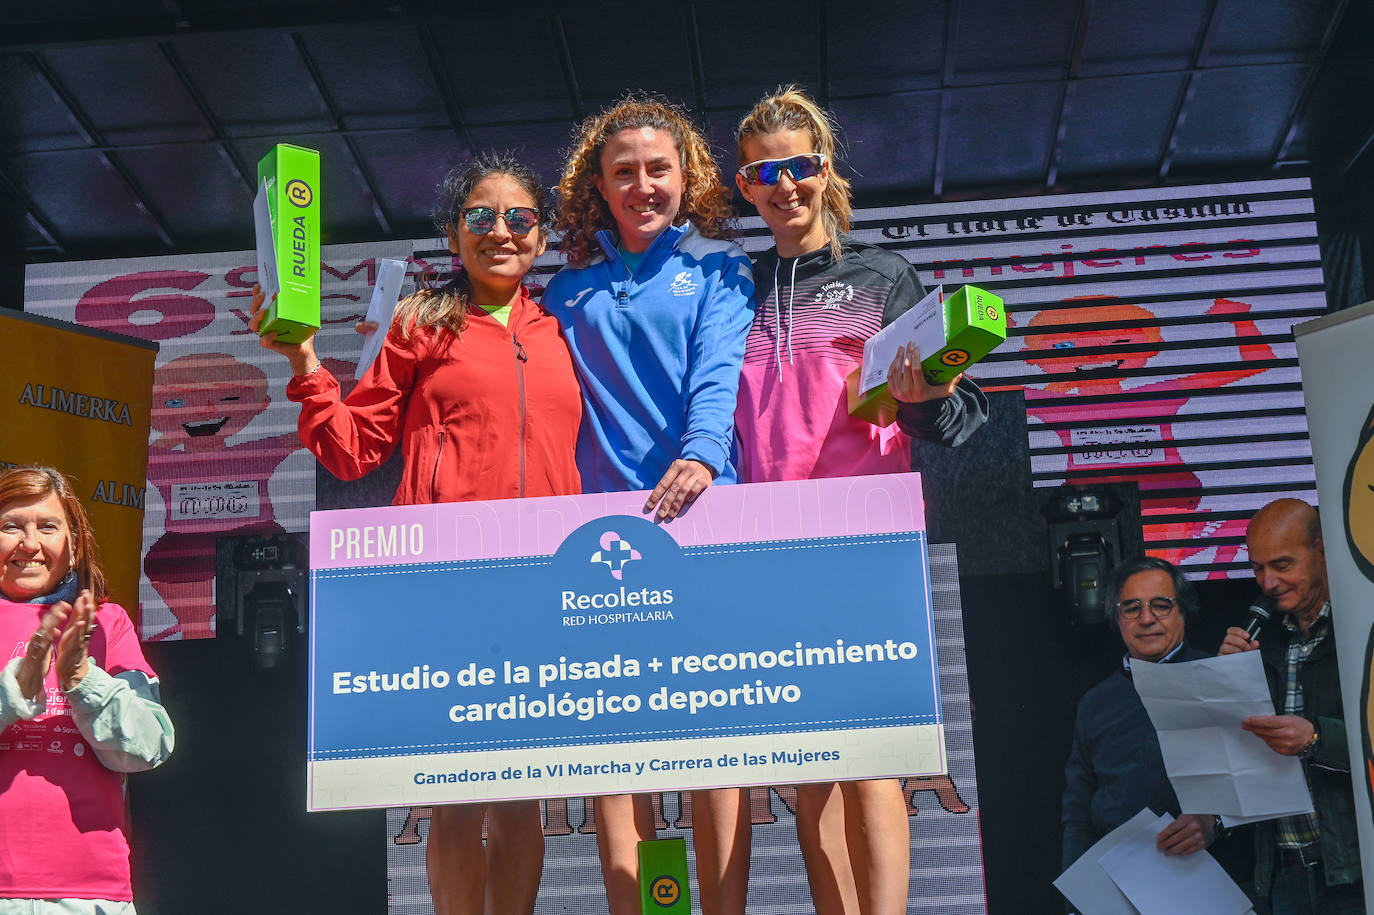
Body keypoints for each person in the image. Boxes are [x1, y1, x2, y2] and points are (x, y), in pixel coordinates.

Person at [250, 153, 582, 915]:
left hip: (547, 585)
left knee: (524, 795)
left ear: (542, 236)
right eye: (480, 217)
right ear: (452, 232)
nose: (501, 231)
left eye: (520, 218)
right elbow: (351, 447)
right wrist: (304, 363)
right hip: (447, 585)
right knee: (459, 791)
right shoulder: (420, 323)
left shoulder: (565, 323)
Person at [732, 86, 987, 915]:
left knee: (874, 759)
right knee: (811, 768)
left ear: (825, 168)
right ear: (744, 186)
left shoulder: (884, 275)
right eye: (763, 171)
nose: (785, 185)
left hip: (863, 545)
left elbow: (957, 415)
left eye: (799, 165)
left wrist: (918, 398)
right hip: (764, 550)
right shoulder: (732, 289)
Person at [540, 95, 754, 915]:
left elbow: (718, 372)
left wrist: (701, 454)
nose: (642, 185)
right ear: (598, 183)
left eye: (657, 168)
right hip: (601, 535)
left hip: (704, 519)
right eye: (623, 171)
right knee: (620, 750)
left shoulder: (718, 268)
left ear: (686, 173)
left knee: (712, 747)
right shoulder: (567, 291)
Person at [0, 465, 175, 912]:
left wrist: (82, 678)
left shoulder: (107, 623)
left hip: (90, 895)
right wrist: (11, 695)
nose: (30, 544)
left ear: (73, 545)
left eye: (48, 527)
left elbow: (148, 746)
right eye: (11, 527)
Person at [1220, 499, 1363, 913]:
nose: (1268, 582)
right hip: (1285, 874)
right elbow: (1236, 764)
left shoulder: (1360, 628)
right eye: (1257, 568)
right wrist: (1225, 683)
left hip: (1356, 871)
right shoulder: (1263, 641)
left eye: (1282, 564)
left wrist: (1316, 738)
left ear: (1323, 550)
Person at [1060, 557, 1221, 874]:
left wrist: (1217, 822)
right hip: (1121, 888)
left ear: (1183, 613)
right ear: (1116, 618)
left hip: (1216, 883)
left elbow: (1262, 788)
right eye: (1131, 608)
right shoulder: (1095, 703)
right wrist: (1077, 902)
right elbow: (1077, 813)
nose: (1146, 618)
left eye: (1161, 605)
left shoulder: (1218, 677)